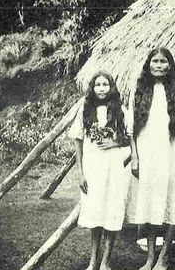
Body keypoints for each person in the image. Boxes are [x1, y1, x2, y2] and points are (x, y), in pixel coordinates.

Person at [126, 47, 175, 270]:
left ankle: (164, 258)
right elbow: (130, 131)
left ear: (170, 65)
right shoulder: (138, 92)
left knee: (172, 203)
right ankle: (150, 257)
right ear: (148, 64)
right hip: (146, 156)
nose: (159, 65)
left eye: (164, 61)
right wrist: (135, 157)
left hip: (170, 156)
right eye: (155, 61)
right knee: (151, 205)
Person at [68, 71, 129, 270]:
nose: (101, 88)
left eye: (105, 84)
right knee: (95, 213)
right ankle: (93, 260)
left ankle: (106, 262)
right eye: (98, 85)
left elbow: (131, 136)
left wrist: (114, 143)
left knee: (111, 211)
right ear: (92, 88)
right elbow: (77, 139)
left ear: (111, 87)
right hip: (93, 168)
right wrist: (80, 172)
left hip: (113, 169)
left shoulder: (121, 110)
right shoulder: (85, 110)